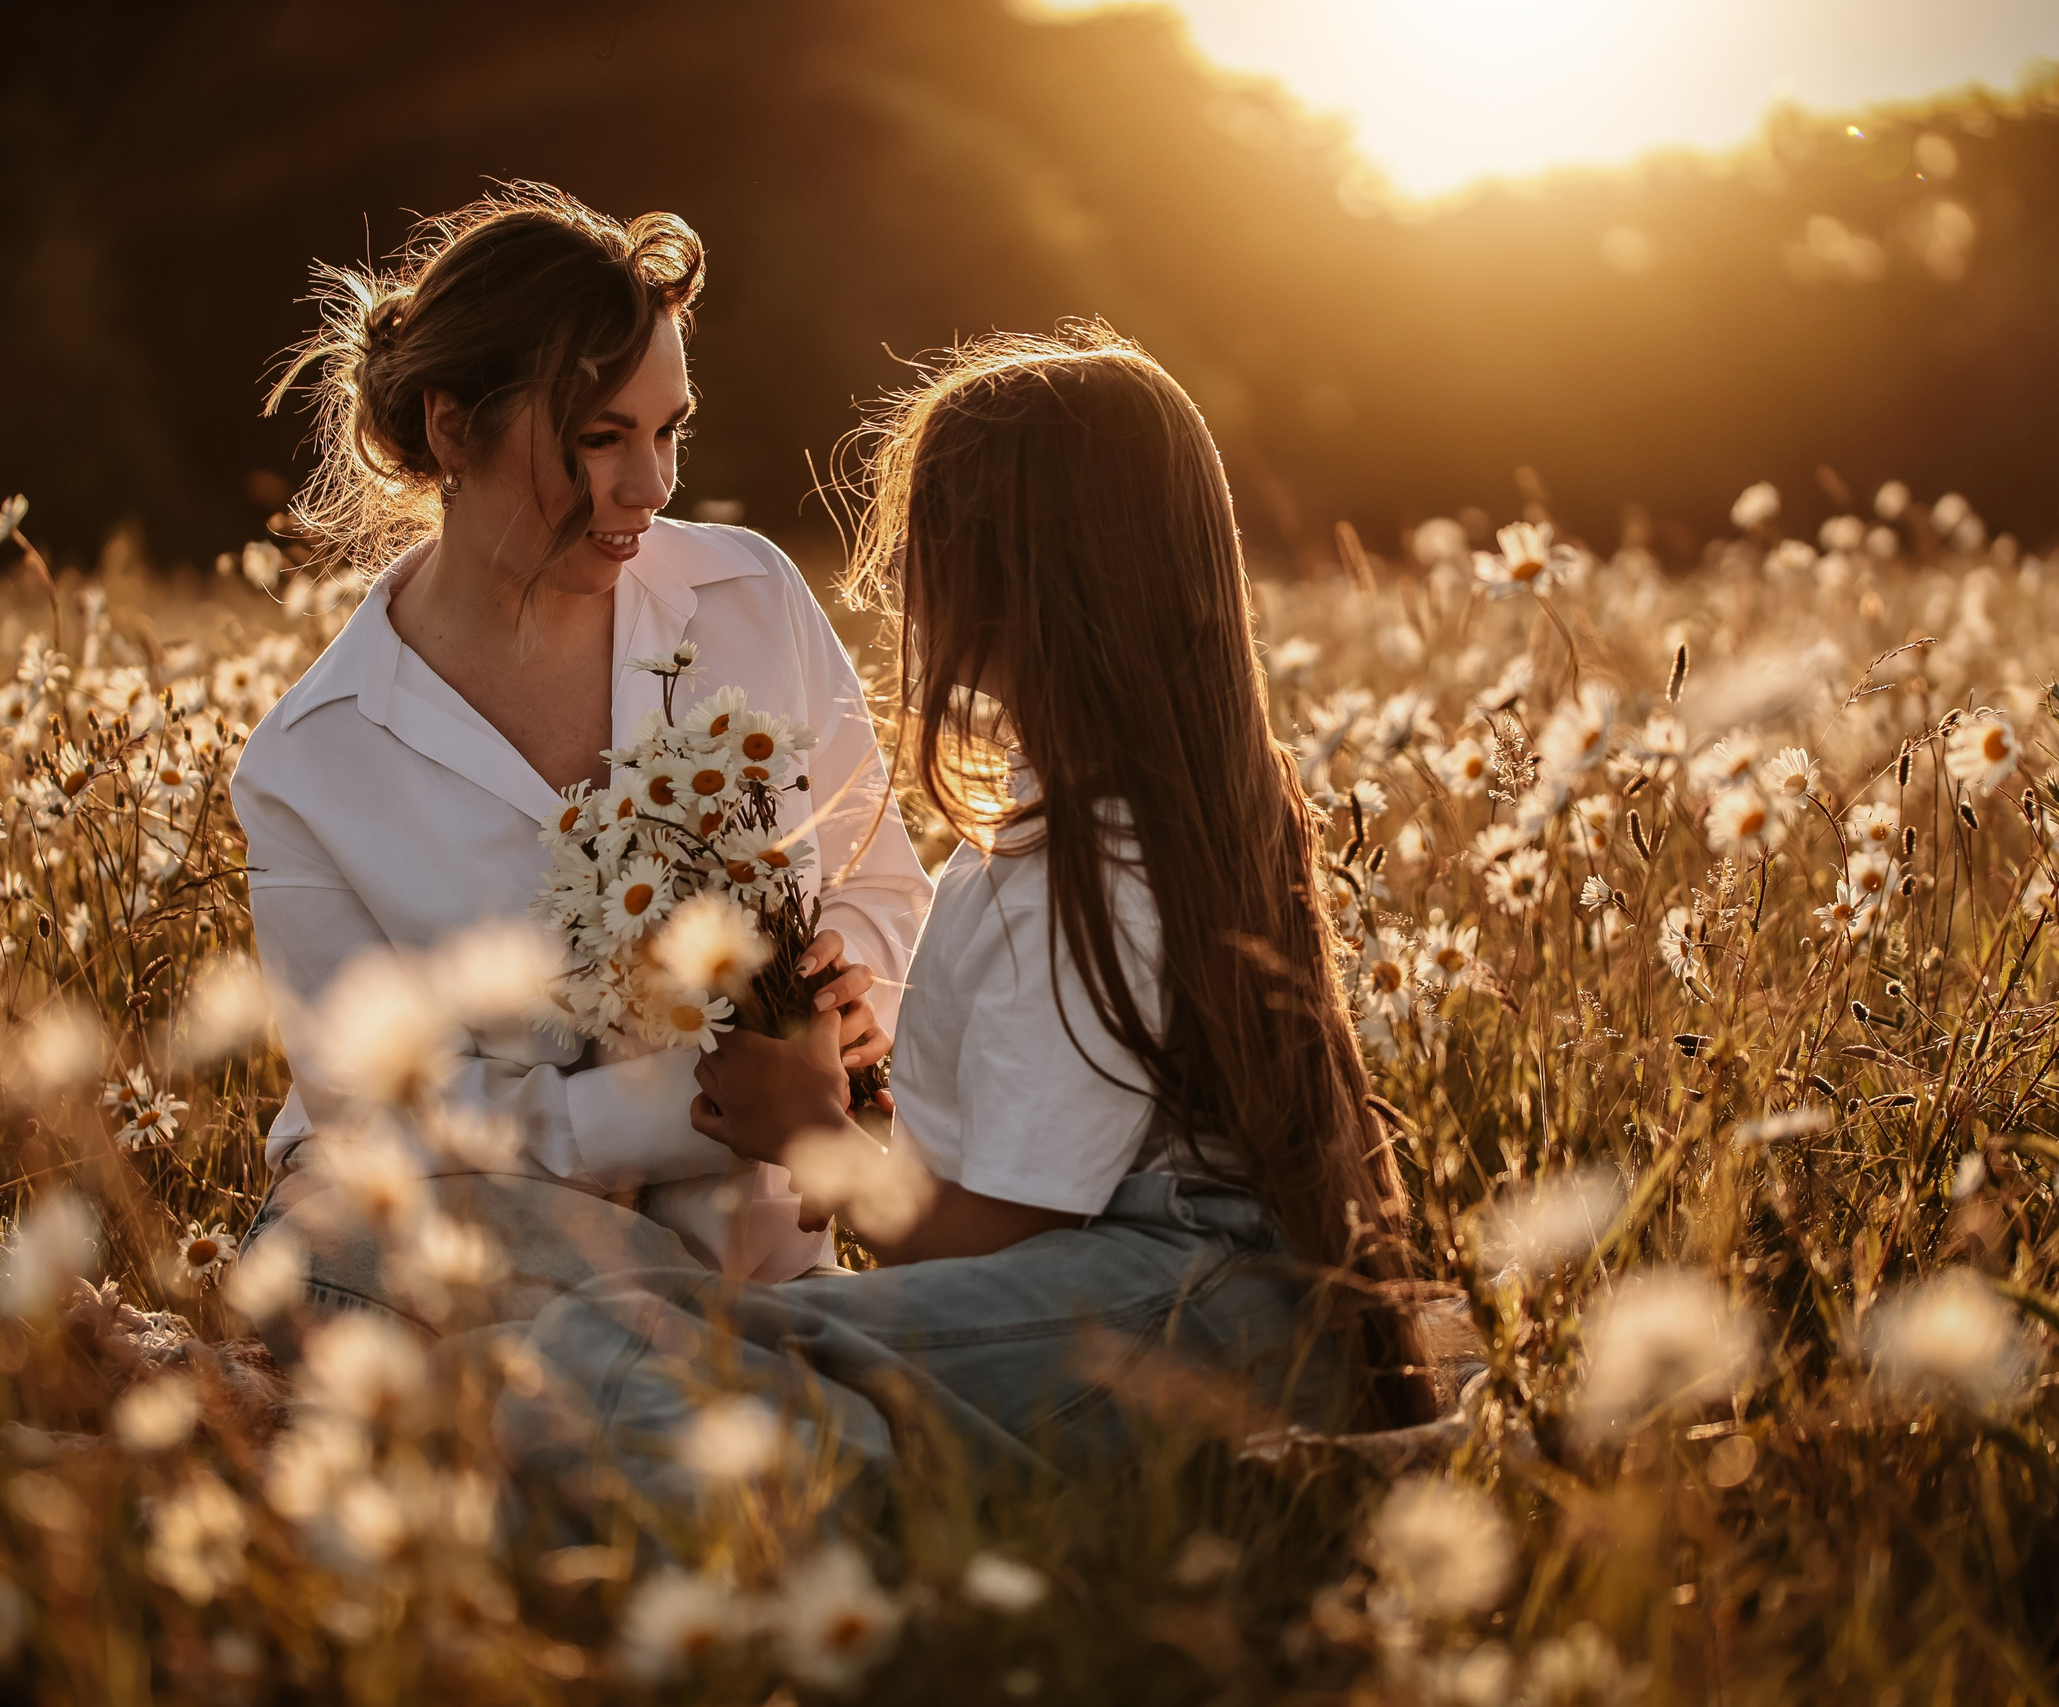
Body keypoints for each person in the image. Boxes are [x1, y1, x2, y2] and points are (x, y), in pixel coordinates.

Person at [502, 327, 1437, 1497]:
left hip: (1182, 1319)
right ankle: (982, 1516)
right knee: (625, 1341)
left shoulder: (1094, 861)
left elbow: (998, 1239)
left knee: (609, 1353)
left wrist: (811, 1139)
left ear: (1026, 582)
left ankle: (926, 1569)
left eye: (920, 544)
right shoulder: (1126, 824)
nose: (894, 580)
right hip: (1186, 1314)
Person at [231, 184, 931, 1304]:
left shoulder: (748, 598)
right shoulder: (312, 766)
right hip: (436, 1242)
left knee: (665, 1361)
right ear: (453, 428)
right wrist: (697, 1105)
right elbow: (384, 1118)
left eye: (667, 431)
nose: (650, 486)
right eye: (600, 439)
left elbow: (882, 881)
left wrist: (847, 998)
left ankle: (730, 1372)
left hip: (750, 1249)